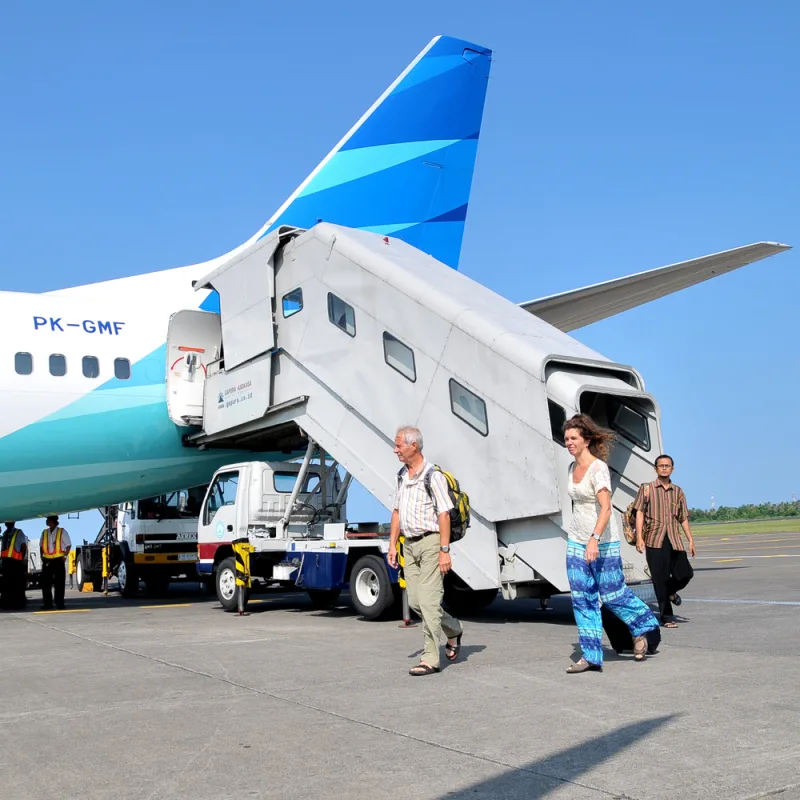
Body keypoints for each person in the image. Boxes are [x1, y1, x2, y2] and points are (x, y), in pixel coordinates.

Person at [563, 414, 660, 673]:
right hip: (576, 540)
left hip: (603, 541)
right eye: (566, 439)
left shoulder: (598, 469)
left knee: (612, 594)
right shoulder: (572, 469)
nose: (569, 442)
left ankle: (642, 626)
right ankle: (591, 655)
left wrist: (594, 539)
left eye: (573, 438)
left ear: (586, 440)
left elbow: (605, 509)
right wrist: (582, 539)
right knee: (582, 599)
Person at [388, 426, 463, 676]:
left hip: (431, 543)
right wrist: (392, 545)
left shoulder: (433, 476)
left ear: (414, 446)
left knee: (429, 603)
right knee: (417, 602)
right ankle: (453, 629)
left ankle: (430, 657)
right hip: (409, 545)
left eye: (399, 445)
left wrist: (444, 550)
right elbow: (397, 511)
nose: (395, 449)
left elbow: (444, 513)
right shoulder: (402, 475)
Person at [634, 454, 695, 628]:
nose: (664, 468)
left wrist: (690, 539)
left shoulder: (678, 491)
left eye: (667, 466)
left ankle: (670, 592)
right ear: (656, 469)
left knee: (686, 574)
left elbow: (683, 517)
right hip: (654, 539)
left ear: (672, 469)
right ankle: (667, 617)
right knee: (659, 579)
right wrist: (639, 537)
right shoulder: (647, 489)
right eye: (661, 465)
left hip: (674, 539)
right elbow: (639, 512)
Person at [40, 515, 71, 610]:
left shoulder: (62, 531)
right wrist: (42, 557)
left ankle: (60, 604)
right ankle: (47, 604)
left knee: (59, 584)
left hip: (58, 560)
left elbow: (68, 545)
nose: (46, 521)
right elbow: (41, 545)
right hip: (47, 561)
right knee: (46, 584)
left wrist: (65, 556)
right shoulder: (45, 532)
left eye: (48, 520)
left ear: (52, 521)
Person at [1, 521, 28, 610]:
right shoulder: (5, 533)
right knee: (6, 584)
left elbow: (23, 546)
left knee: (17, 584)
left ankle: (19, 603)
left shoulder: (19, 532)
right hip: (6, 562)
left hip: (16, 562)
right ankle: (7, 603)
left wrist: (21, 559)